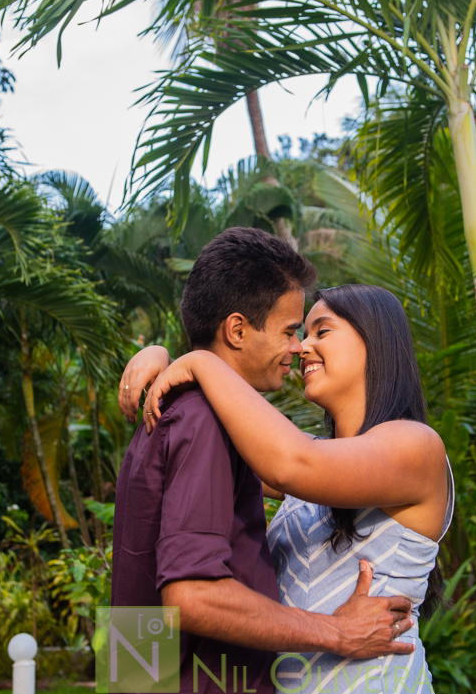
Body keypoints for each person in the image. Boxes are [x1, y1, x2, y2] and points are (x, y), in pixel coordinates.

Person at [112, 228, 416, 694]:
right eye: (295, 331)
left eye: (320, 332)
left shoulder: (192, 420)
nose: (301, 348)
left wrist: (189, 359)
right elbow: (192, 596)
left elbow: (294, 461)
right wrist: (336, 632)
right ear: (236, 329)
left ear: (376, 343)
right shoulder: (204, 422)